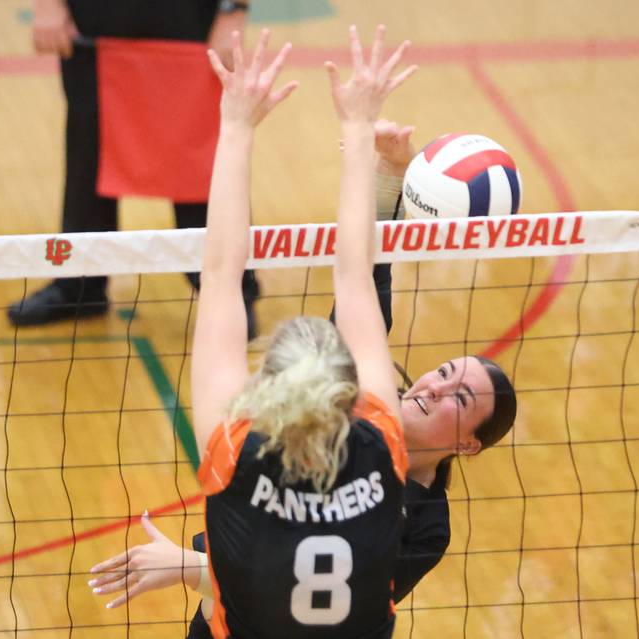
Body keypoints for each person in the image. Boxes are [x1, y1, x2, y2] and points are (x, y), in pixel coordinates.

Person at [184, 24, 419, 638]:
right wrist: (359, 131)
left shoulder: (236, 454)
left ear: (263, 388)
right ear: (350, 394)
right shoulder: (379, 450)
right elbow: (357, 280)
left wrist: (234, 125)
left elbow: (218, 275)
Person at [88, 354, 517, 636]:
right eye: (443, 372)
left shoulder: (425, 531)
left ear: (467, 445)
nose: (435, 388)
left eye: (460, 398)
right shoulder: (349, 418)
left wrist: (191, 566)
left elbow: (310, 598)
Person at [7, 0, 260, 334]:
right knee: (88, 155)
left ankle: (232, 293)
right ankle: (80, 286)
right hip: (94, 22)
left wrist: (232, 11)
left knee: (198, 157)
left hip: (189, 18)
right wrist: (48, 4)